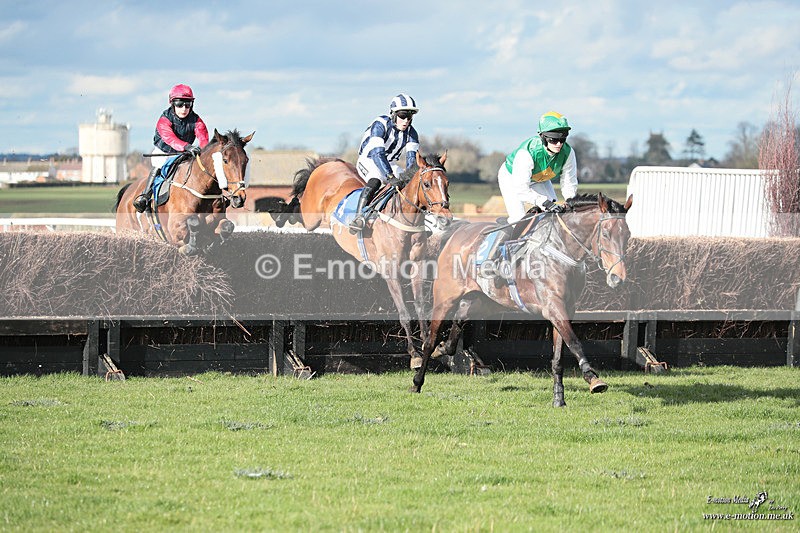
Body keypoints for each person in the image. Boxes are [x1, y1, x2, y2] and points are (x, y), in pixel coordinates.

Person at [483, 111, 579, 275]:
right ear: (542, 137)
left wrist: (570, 203)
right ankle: (494, 260)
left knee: (554, 214)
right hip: (512, 178)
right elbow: (521, 189)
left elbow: (569, 182)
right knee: (518, 218)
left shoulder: (568, 153)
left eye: (562, 139)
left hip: (540, 179)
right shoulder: (527, 153)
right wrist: (543, 202)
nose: (559, 144)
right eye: (553, 140)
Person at [348, 93, 420, 233]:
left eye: (409, 116)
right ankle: (358, 218)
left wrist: (410, 178)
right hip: (369, 160)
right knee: (375, 180)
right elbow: (377, 154)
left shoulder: (412, 133)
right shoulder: (380, 124)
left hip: (390, 163)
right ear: (393, 114)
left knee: (411, 185)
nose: (406, 120)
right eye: (402, 115)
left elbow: (411, 160)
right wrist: (390, 177)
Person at [133, 84, 210, 213]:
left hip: (184, 152)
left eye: (188, 104)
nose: (184, 108)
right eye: (180, 104)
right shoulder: (164, 119)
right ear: (172, 103)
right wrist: (187, 146)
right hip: (164, 152)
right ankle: (146, 197)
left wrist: (203, 152)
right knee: (159, 165)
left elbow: (203, 138)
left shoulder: (197, 121)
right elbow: (170, 139)